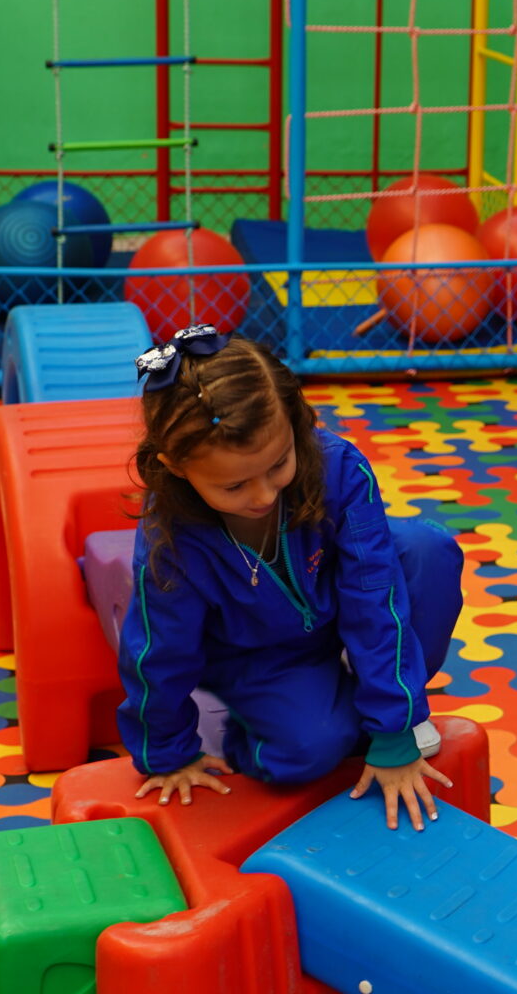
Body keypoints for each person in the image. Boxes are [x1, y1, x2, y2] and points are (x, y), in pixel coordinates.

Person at [117, 326, 464, 831]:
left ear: (298, 422)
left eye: (278, 464)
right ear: (177, 468)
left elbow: (375, 594)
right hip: (255, 658)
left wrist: (394, 729)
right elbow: (157, 649)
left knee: (426, 551)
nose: (262, 495)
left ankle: (382, 701)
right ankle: (262, 730)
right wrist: (167, 752)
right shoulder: (170, 532)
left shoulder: (339, 468)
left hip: (333, 615)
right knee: (310, 748)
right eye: (234, 485)